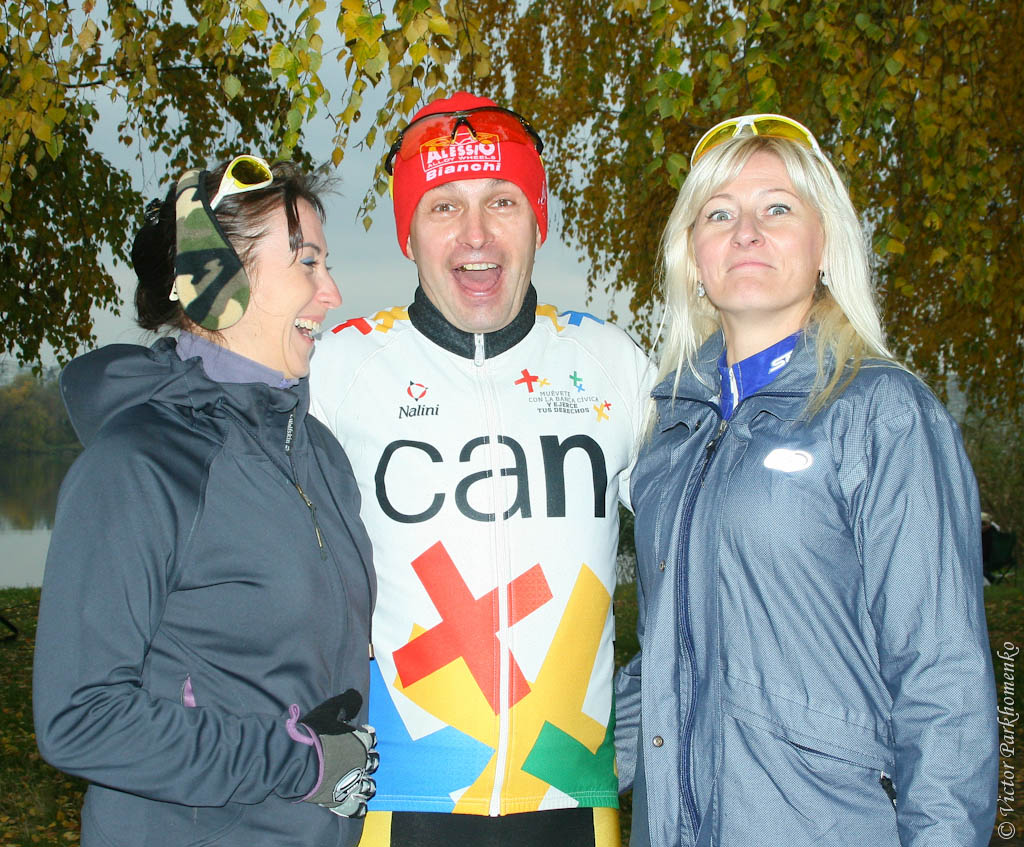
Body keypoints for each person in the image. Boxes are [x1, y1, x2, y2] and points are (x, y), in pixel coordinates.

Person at [614, 114, 998, 846]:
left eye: (778, 209)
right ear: (693, 258)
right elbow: (670, 651)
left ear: (825, 245)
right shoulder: (672, 429)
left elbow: (943, 676)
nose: (746, 233)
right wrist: (554, 760)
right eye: (719, 214)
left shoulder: (882, 412)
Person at [310, 92, 653, 846]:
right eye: (444, 207)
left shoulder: (610, 364)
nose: (476, 234)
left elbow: (706, 554)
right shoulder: (341, 368)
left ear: (538, 220)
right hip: (398, 793)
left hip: (572, 792)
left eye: (502, 201)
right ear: (408, 234)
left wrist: (648, 711)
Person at [33, 156, 379, 847]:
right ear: (215, 282)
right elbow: (80, 717)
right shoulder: (138, 465)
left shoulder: (319, 455)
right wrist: (299, 763)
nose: (332, 292)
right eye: (307, 263)